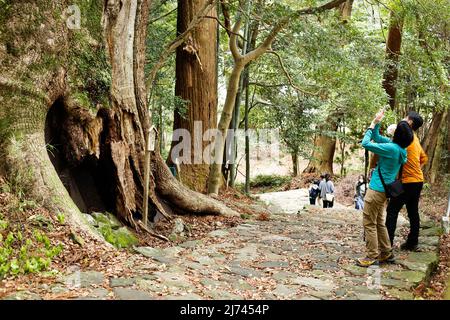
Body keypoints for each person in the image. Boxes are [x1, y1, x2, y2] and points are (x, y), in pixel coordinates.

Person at [357, 109, 414, 267]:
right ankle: (386, 252)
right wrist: (378, 121)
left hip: (376, 190)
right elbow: (376, 137)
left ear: (397, 135)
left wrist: (371, 125)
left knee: (369, 223)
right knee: (380, 222)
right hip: (384, 191)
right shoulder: (400, 149)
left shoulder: (391, 148)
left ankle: (371, 256)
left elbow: (366, 143)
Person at [385, 111, 428, 251]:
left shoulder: (404, 139)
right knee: (413, 212)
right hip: (418, 180)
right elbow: (424, 158)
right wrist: (416, 169)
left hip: (408, 181)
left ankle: (386, 246)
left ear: (409, 123)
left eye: (405, 118)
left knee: (392, 210)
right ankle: (412, 243)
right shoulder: (414, 138)